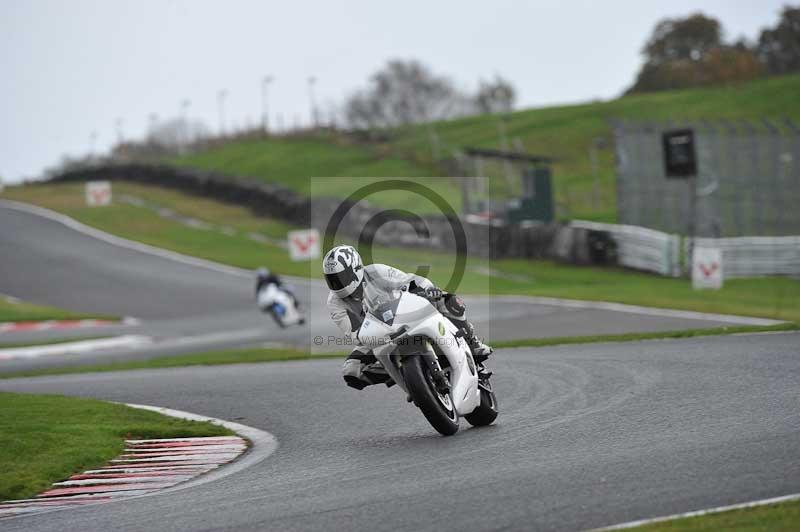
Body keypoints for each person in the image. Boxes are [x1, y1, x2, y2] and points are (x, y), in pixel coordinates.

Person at [322, 245, 492, 390]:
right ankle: (399, 371)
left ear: (356, 269)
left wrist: (426, 290)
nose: (337, 284)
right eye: (332, 280)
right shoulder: (334, 303)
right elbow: (355, 335)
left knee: (448, 299)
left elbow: (411, 281)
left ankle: (472, 342)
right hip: (378, 338)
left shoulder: (376, 272)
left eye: (341, 277)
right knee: (351, 371)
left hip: (405, 316)